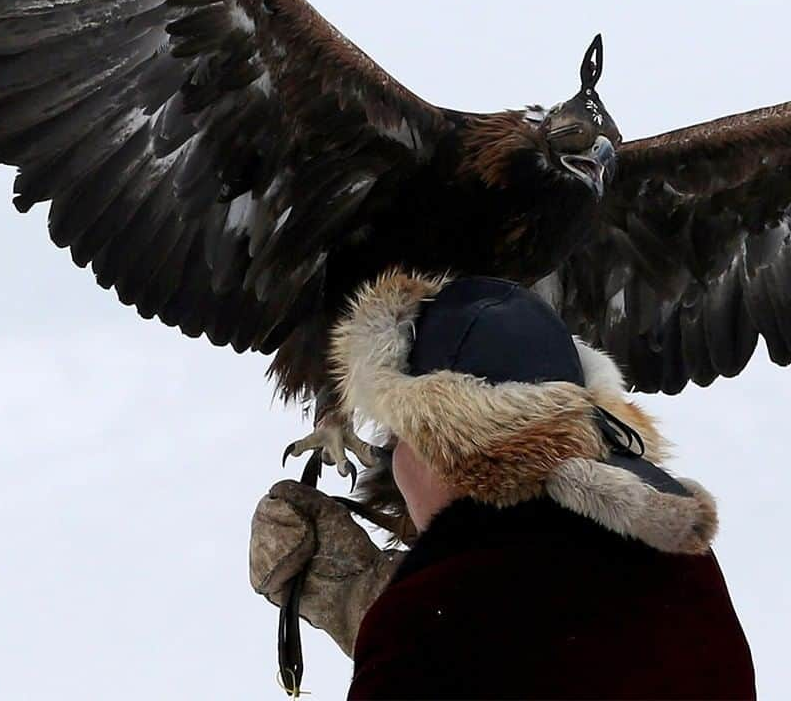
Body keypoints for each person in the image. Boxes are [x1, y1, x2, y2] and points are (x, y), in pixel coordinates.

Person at [251, 272, 756, 699]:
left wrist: (395, 622)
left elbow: (495, 638)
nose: (392, 460)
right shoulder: (682, 561)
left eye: (396, 435)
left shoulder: (425, 628)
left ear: (444, 444)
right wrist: (377, 598)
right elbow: (550, 636)